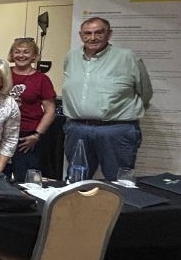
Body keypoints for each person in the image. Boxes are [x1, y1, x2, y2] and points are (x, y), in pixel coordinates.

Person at [62, 17, 152, 180]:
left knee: (119, 183)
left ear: (109, 34)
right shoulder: (72, 57)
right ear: (81, 35)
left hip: (116, 130)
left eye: (99, 32)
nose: (93, 37)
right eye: (87, 33)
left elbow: (145, 93)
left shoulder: (126, 57)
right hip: (77, 129)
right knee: (76, 182)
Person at [8, 38, 56, 182]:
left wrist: (36, 135)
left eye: (26, 52)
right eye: (17, 52)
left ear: (34, 56)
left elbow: (50, 111)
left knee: (26, 180)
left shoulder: (41, 79)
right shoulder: (4, 74)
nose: (21, 55)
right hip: (2, 135)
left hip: (27, 138)